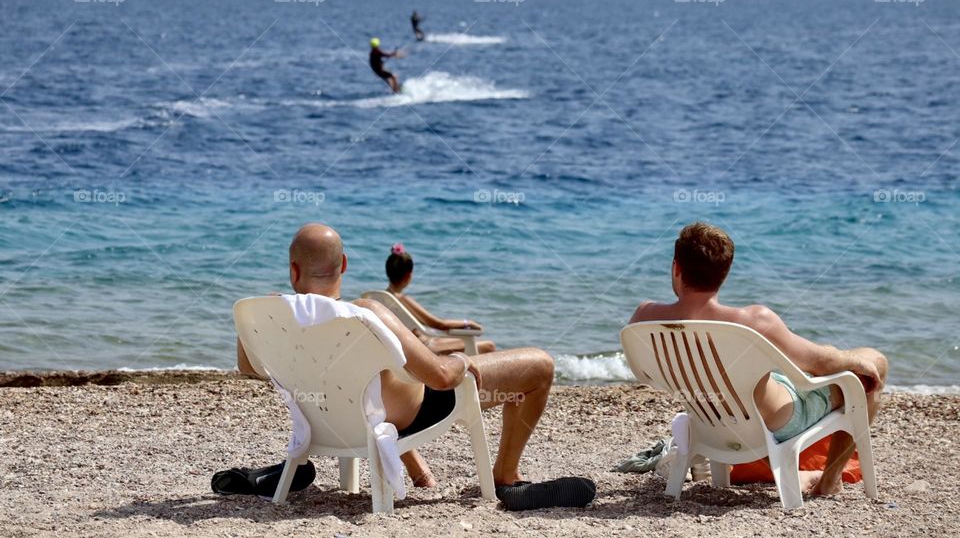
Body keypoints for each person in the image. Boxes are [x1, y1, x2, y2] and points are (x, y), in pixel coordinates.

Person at [237, 224, 591, 507]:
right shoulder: (366, 313)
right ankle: (507, 479)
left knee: (383, 379)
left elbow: (248, 367)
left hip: (329, 424)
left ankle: (424, 474)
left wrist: (258, 318)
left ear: (293, 270)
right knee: (540, 365)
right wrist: (462, 360)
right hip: (414, 413)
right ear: (344, 265)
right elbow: (440, 377)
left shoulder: (272, 320)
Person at [629, 222, 888, 497]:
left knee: (780, 371)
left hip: (706, 422)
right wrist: (854, 361)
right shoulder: (753, 321)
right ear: (725, 273)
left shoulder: (645, 317)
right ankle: (829, 482)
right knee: (874, 361)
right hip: (774, 423)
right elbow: (821, 362)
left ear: (676, 268)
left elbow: (643, 374)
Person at [385, 243, 497, 354]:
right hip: (423, 350)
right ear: (408, 276)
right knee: (489, 346)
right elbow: (440, 324)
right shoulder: (402, 300)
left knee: (461, 341)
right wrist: (468, 323)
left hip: (404, 349)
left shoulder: (376, 298)